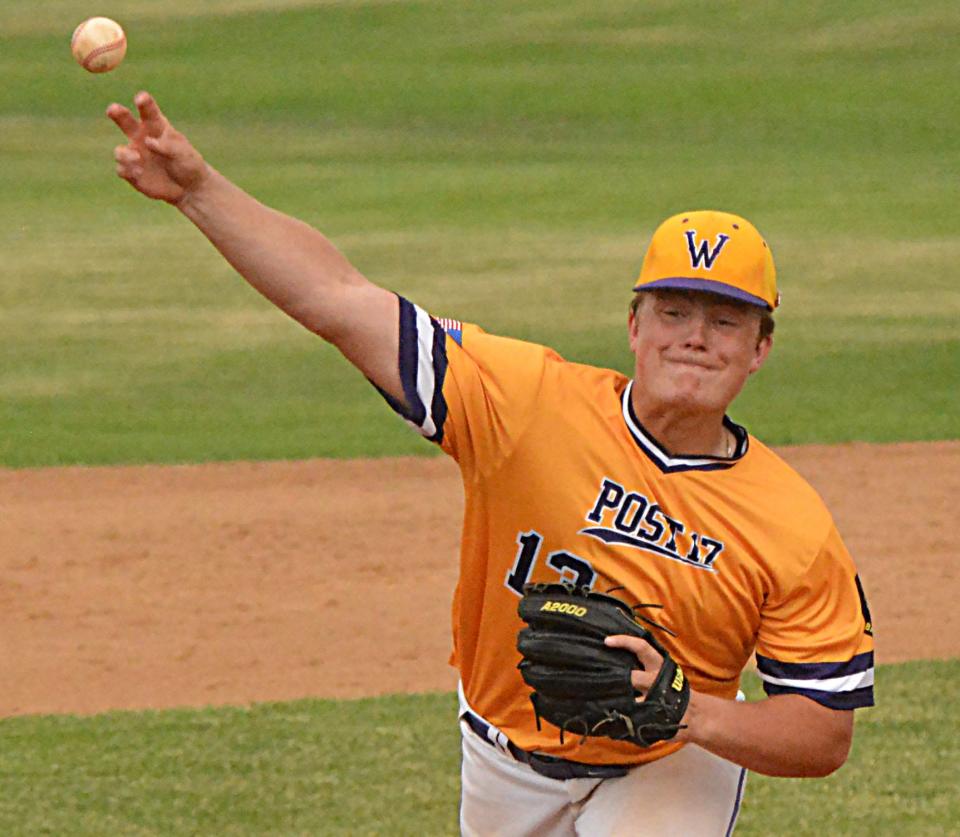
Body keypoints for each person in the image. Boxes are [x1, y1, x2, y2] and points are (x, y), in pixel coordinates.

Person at [107, 92, 875, 836]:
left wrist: (691, 709)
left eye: (724, 319)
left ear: (760, 348)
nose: (694, 337)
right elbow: (338, 299)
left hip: (670, 758)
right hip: (502, 752)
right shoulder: (525, 401)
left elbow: (822, 733)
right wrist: (200, 192)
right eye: (674, 311)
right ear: (634, 324)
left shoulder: (790, 522)